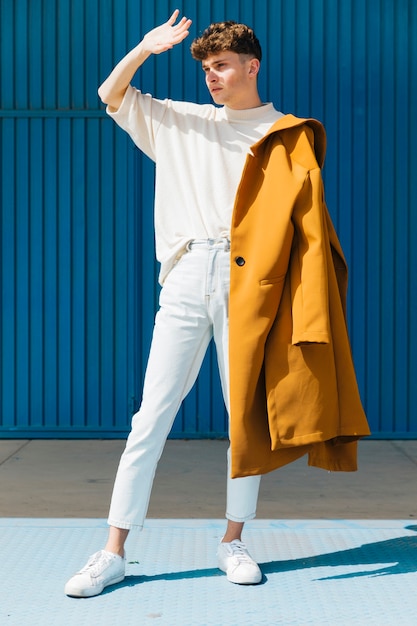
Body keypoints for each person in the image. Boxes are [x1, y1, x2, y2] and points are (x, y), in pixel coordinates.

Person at [64, 10, 370, 598]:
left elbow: (304, 228)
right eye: (206, 67)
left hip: (251, 283)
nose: (212, 76)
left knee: (243, 420)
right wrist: (145, 49)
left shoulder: (287, 131)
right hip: (185, 275)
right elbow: (110, 93)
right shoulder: (180, 121)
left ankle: (233, 541)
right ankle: (112, 551)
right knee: (150, 416)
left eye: (222, 65)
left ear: (251, 66)